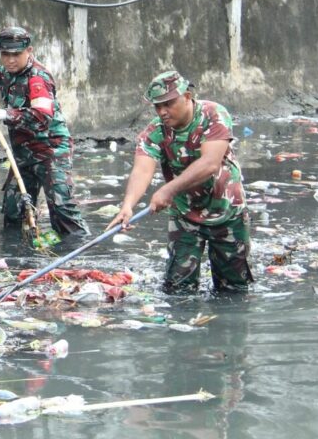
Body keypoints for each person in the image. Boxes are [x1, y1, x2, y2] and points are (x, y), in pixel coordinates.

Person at [106, 71, 252, 293]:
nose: (163, 112)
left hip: (227, 212)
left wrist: (168, 189)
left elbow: (210, 163)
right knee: (178, 290)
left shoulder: (213, 114)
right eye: (157, 106)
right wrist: (128, 205)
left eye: (168, 104)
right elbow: (142, 170)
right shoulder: (154, 132)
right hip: (185, 215)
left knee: (234, 290)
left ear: (187, 96)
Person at [0, 26, 88, 236]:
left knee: (61, 209)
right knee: (15, 209)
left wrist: (5, 114)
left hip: (50, 151)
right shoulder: (7, 71)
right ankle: (18, 256)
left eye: (16, 55)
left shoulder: (38, 79)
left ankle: (79, 252)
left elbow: (42, 115)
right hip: (22, 153)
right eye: (5, 54)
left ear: (28, 51)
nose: (10, 60)